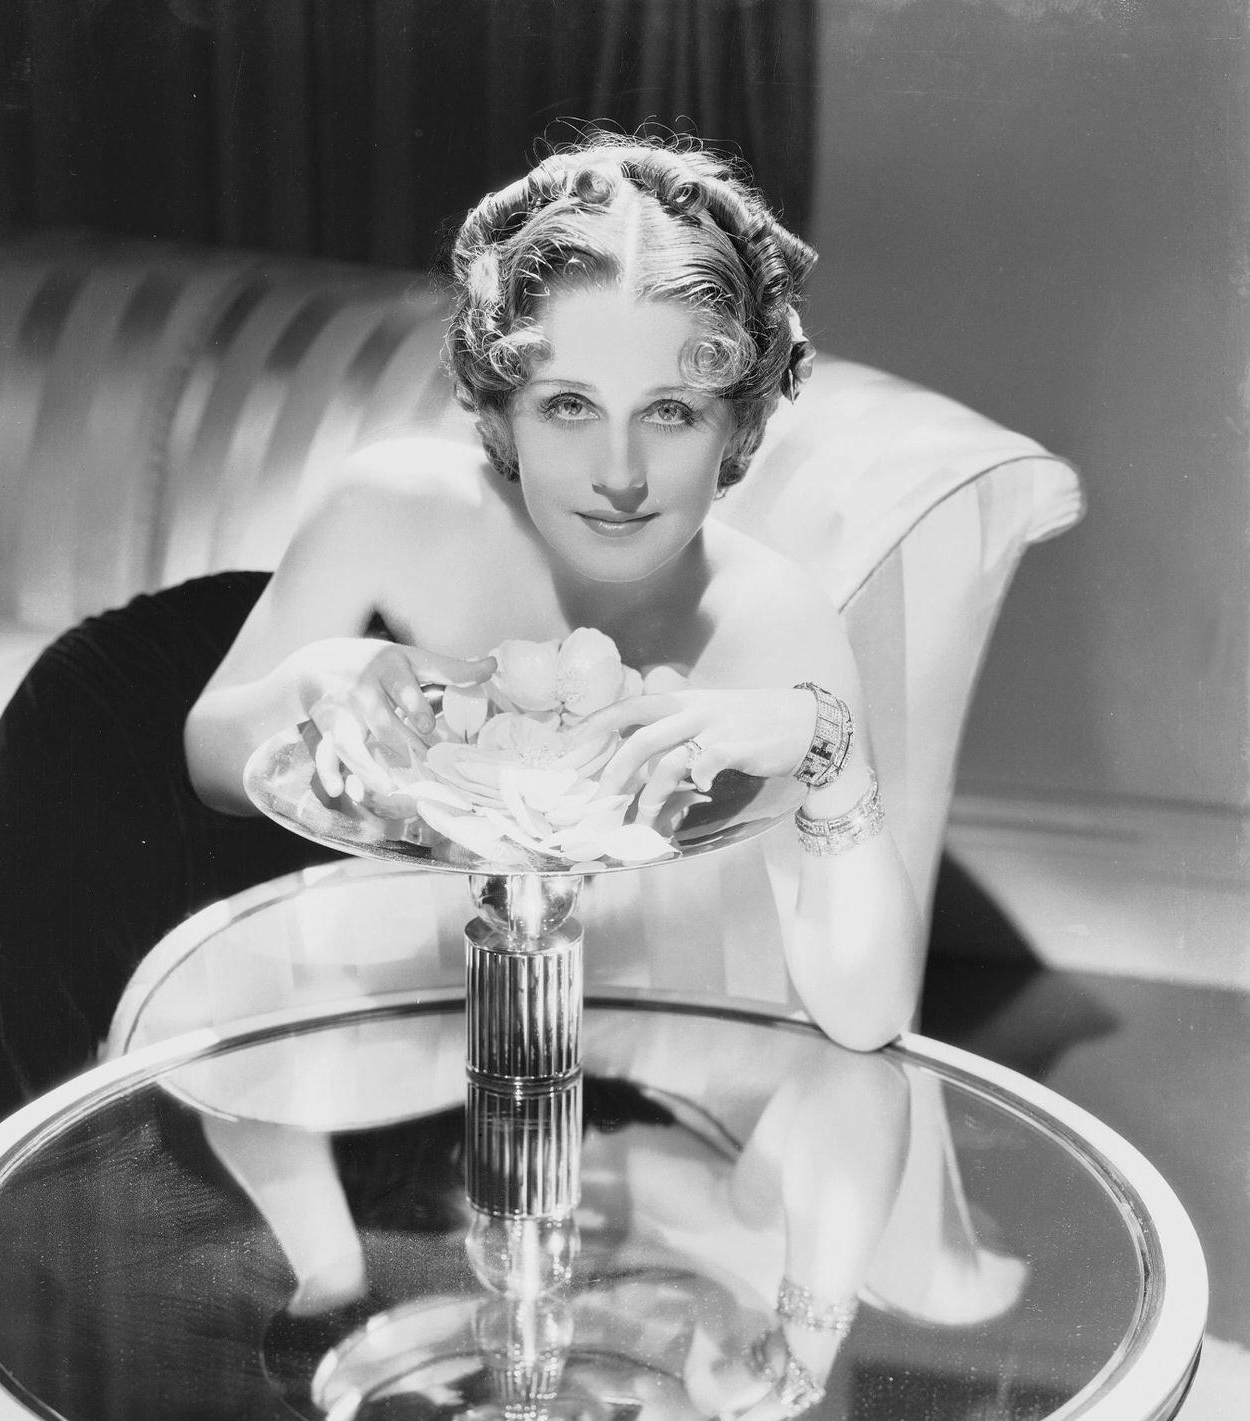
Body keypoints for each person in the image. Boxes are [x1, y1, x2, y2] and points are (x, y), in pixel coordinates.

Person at [185, 135, 924, 1050]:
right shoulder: (390, 499)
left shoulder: (775, 621)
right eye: (569, 406)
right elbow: (206, 763)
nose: (620, 476)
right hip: (156, 749)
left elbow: (868, 1015)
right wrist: (310, 680)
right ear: (502, 409)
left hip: (428, 1016)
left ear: (740, 424)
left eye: (670, 411)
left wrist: (830, 749)